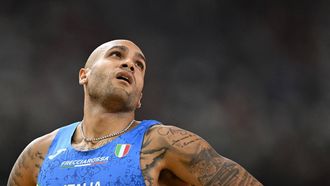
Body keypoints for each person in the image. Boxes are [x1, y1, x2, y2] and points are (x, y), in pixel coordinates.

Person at [8, 39, 262, 186]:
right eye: (116, 54)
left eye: (139, 65)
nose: (129, 63)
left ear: (140, 96)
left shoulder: (165, 143)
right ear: (84, 75)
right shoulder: (37, 155)